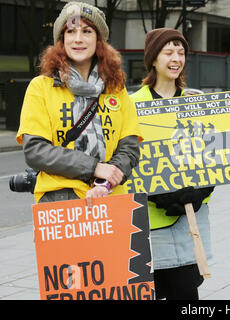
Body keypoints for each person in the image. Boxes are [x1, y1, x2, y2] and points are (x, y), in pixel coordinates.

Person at [16, 1, 142, 206]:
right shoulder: (41, 87)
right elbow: (35, 151)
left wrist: (104, 183)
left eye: (87, 31)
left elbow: (129, 148)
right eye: (71, 31)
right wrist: (94, 167)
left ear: (99, 40)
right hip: (59, 201)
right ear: (61, 39)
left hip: (111, 198)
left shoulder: (116, 89)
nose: (78, 39)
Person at [130, 28, 214, 300]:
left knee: (186, 294)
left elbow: (214, 157)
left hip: (188, 222)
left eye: (181, 52)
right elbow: (127, 160)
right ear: (153, 59)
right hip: (146, 224)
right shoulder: (132, 106)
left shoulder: (195, 102)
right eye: (169, 52)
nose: (176, 58)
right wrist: (159, 194)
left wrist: (201, 191)